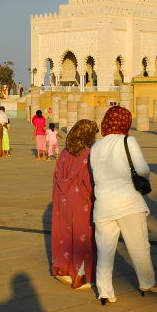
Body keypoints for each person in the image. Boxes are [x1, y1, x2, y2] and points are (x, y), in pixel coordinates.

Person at [90, 106, 157, 305]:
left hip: (103, 204)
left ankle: (105, 292)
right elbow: (142, 169)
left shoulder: (96, 145)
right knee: (139, 247)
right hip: (128, 202)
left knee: (104, 252)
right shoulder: (128, 141)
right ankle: (147, 283)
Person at [52, 120, 99, 290]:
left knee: (65, 234)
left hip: (63, 200)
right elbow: (88, 181)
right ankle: (80, 277)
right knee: (82, 237)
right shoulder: (86, 153)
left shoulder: (65, 152)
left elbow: (56, 175)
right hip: (81, 202)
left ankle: (62, 270)